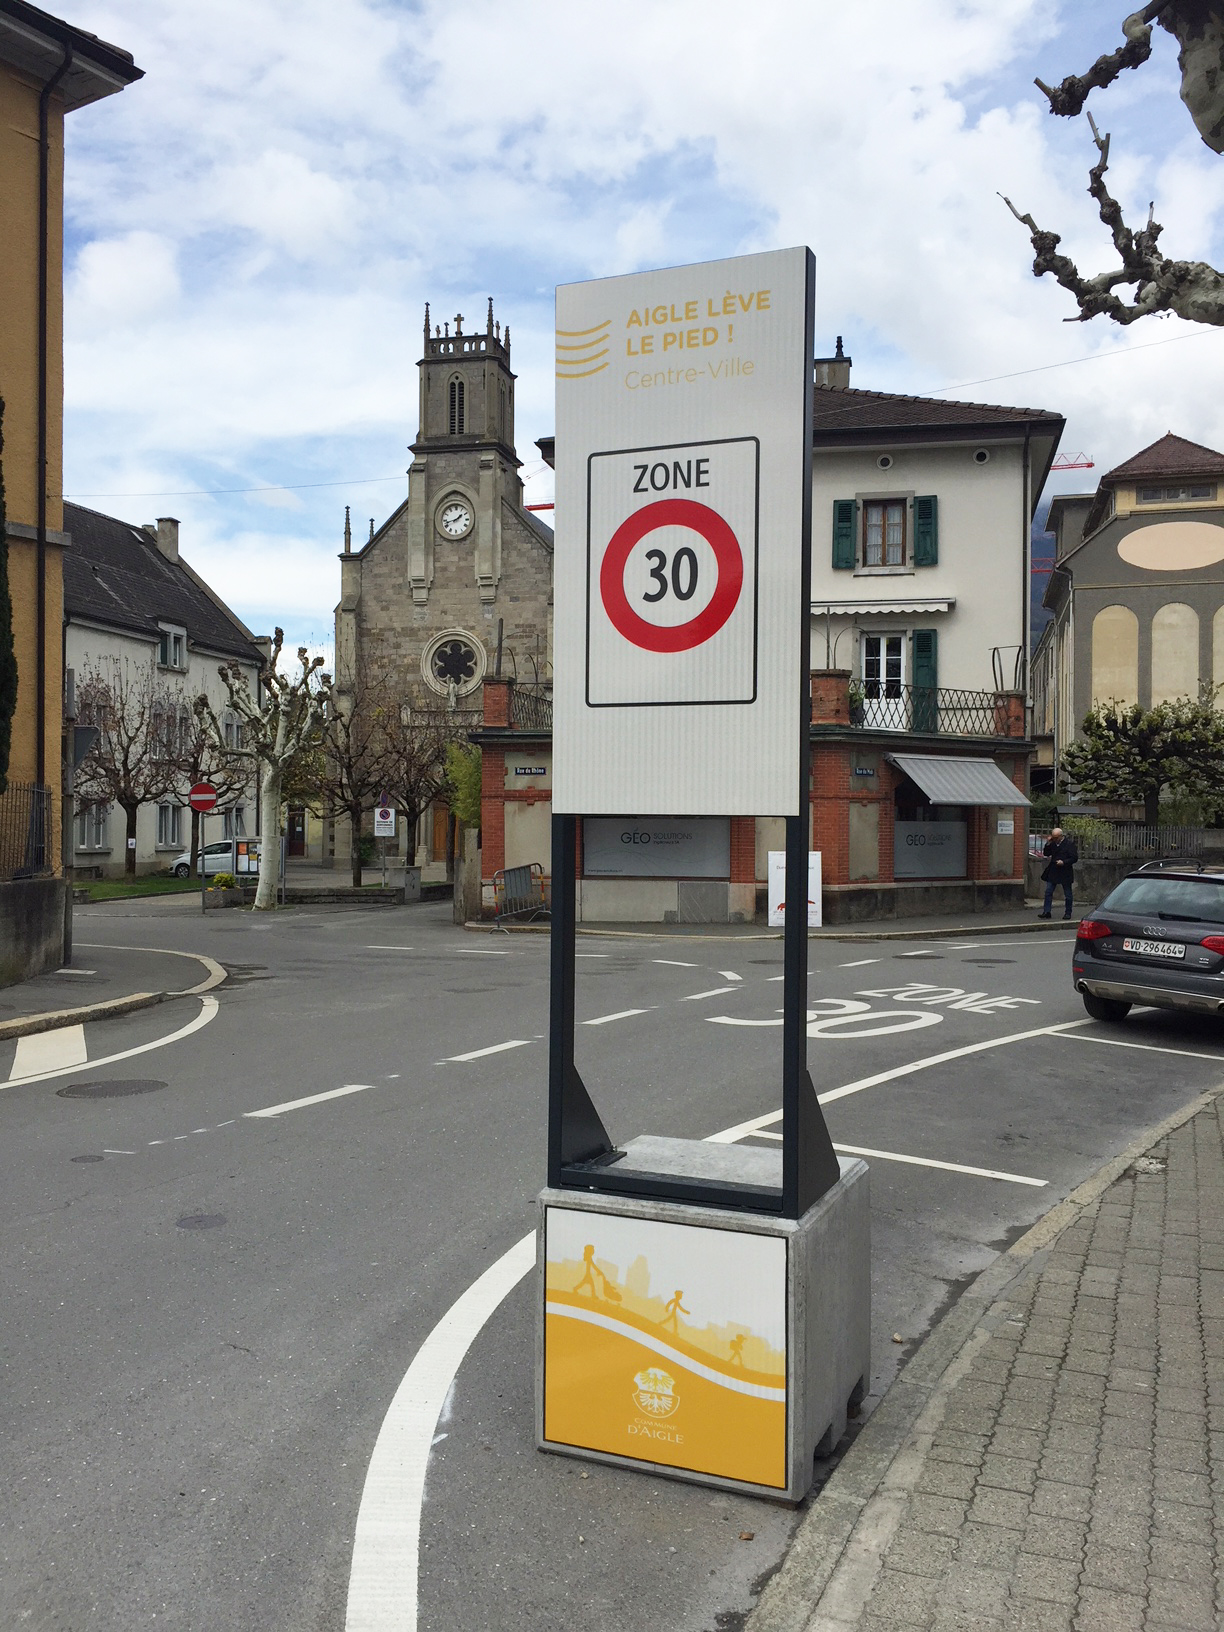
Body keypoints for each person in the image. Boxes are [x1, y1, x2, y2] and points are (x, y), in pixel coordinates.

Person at [1039, 826, 1078, 919]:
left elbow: (1074, 858)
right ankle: (1046, 911)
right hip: (1054, 870)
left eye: (1056, 838)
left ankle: (1068, 912)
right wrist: (1048, 843)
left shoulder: (1069, 844)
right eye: (1053, 837)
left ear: (1061, 836)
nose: (1054, 839)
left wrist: (1064, 862)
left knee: (1067, 893)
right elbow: (1046, 853)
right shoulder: (1052, 843)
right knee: (1048, 891)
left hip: (1065, 870)